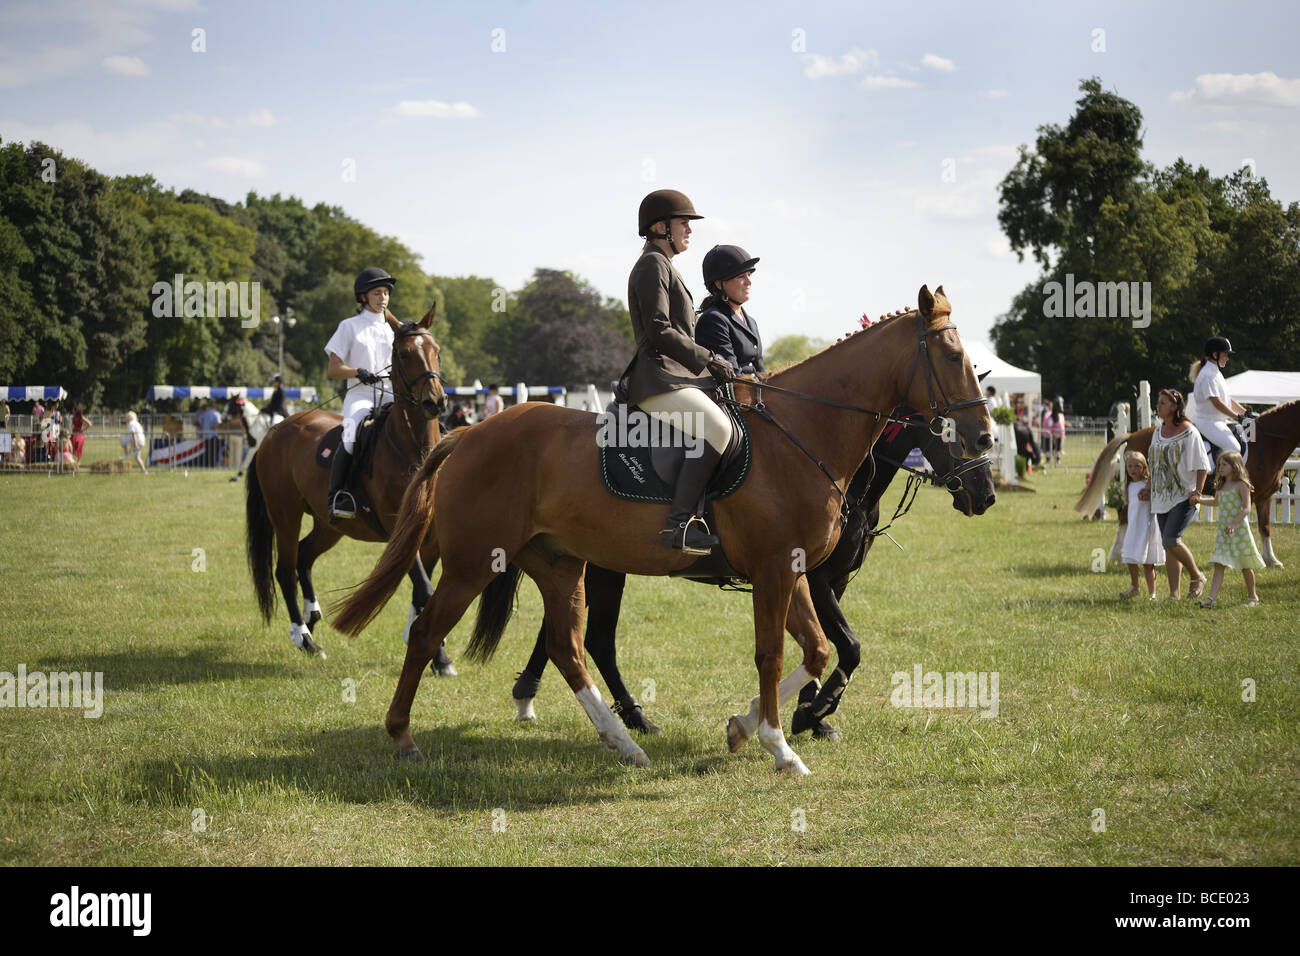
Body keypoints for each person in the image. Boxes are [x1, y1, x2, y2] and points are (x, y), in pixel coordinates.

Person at [619, 188, 736, 554]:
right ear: (660, 227)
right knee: (717, 427)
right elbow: (658, 329)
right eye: (684, 222)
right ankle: (680, 525)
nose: (690, 229)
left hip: (678, 376)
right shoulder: (652, 264)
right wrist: (710, 359)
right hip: (658, 378)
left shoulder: (665, 265)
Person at [324, 267, 398, 520]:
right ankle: (338, 495)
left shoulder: (393, 329)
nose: (383, 298)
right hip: (361, 395)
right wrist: (357, 371)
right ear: (364, 297)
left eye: (386, 293)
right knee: (351, 435)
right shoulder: (349, 326)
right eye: (377, 293)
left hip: (392, 395)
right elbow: (333, 369)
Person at [1138, 389, 1209, 599]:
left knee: (1170, 539)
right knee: (1169, 547)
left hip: (1184, 496)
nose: (1158, 406)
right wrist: (1149, 487)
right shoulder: (1158, 432)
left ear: (1175, 407)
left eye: (1163, 403)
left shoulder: (1190, 432)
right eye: (1158, 402)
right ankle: (1174, 594)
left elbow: (1202, 466)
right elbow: (1155, 463)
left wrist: (1197, 491)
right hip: (1161, 498)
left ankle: (1197, 576)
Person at [1197, 451, 1264, 608]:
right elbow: (1215, 502)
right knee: (1218, 563)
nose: (1220, 467)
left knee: (1245, 565)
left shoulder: (1242, 485)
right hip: (1224, 531)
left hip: (1238, 530)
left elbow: (1246, 508)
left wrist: (1234, 523)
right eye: (1219, 464)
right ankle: (1211, 599)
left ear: (1235, 467)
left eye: (1224, 465)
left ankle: (1253, 597)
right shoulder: (1221, 485)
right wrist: (1199, 500)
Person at [695, 245, 765, 378]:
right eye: (741, 277)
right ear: (719, 284)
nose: (749, 282)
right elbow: (732, 376)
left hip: (756, 392)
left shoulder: (751, 321)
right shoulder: (713, 320)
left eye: (749, 275)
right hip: (733, 394)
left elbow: (761, 371)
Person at [1189, 335, 1248, 468]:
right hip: (1209, 422)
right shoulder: (1207, 375)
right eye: (1225, 354)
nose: (1227, 358)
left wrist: (1245, 412)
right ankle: (1223, 483)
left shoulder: (1216, 373)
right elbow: (1216, 402)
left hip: (1221, 421)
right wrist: (1236, 416)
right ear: (1215, 354)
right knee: (1233, 447)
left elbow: (1228, 399)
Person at [1118, 450, 1163, 599]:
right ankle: (1134, 585)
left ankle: (1152, 594)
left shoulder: (1148, 485)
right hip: (1134, 527)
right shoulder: (1128, 486)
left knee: (1148, 563)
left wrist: (1149, 492)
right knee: (1130, 557)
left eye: (1137, 466)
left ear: (1144, 467)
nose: (1133, 470)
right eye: (1130, 466)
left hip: (1148, 527)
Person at [1041, 397, 1066, 465]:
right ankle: (1049, 458)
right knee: (1049, 445)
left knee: (1057, 446)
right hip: (1049, 433)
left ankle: (1057, 458)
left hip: (1055, 433)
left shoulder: (1060, 416)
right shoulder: (1047, 414)